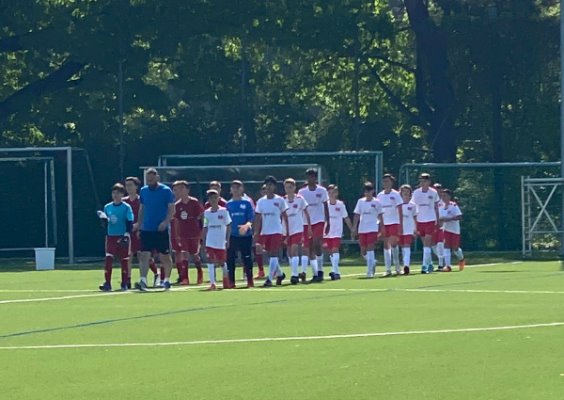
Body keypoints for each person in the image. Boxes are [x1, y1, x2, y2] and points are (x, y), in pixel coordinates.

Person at [135, 168, 176, 290]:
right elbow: (142, 209)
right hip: (147, 228)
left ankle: (167, 280)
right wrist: (139, 225)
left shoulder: (166, 191)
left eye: (152, 178)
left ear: (157, 178)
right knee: (144, 254)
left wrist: (165, 222)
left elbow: (171, 209)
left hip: (160, 229)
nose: (150, 181)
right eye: (148, 179)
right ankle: (143, 280)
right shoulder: (143, 191)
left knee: (164, 256)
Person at [98, 183, 134, 291]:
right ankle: (107, 283)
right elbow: (105, 222)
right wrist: (103, 220)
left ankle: (124, 283)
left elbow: (129, 220)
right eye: (114, 193)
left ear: (122, 194)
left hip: (122, 236)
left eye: (118, 193)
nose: (115, 195)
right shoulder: (107, 207)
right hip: (111, 237)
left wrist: (127, 234)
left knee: (124, 260)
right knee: (109, 259)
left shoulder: (126, 207)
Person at [254, 176, 289, 287]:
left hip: (277, 230)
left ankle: (269, 279)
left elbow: (285, 216)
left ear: (274, 187)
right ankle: (280, 274)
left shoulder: (280, 200)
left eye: (271, 185)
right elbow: (258, 217)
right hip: (265, 231)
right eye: (267, 185)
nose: (268, 187)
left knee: (274, 253)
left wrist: (286, 230)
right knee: (269, 255)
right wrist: (256, 232)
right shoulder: (261, 202)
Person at [297, 168, 330, 282]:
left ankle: (320, 270)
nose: (310, 178)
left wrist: (328, 221)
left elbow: (325, 206)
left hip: (319, 221)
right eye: (308, 176)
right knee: (309, 247)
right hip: (306, 222)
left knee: (317, 243)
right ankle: (316, 272)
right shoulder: (302, 192)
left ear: (315, 178)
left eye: (312, 176)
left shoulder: (322, 191)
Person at [172, 180, 205, 285]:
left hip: (194, 233)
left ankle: (200, 272)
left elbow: (202, 216)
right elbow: (176, 221)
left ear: (187, 190)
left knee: (194, 254)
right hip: (183, 233)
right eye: (178, 189)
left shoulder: (194, 202)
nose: (179, 191)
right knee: (184, 254)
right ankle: (185, 278)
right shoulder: (177, 205)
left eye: (182, 188)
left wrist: (203, 230)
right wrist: (177, 235)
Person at [226, 180, 255, 288]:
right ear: (231, 190)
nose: (236, 189)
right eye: (233, 187)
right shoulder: (228, 204)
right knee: (230, 258)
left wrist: (246, 226)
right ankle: (231, 281)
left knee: (247, 258)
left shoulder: (247, 203)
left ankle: (250, 280)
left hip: (245, 236)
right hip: (232, 235)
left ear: (242, 189)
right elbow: (226, 220)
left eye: (238, 187)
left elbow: (251, 218)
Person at [352, 182, 384, 278]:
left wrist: (382, 229)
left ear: (373, 191)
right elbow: (357, 215)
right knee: (363, 252)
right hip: (362, 228)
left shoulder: (377, 202)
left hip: (373, 228)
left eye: (369, 191)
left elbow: (380, 216)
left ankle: (369, 271)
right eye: (366, 192)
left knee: (370, 249)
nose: (367, 193)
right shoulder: (360, 202)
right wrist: (354, 227)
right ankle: (372, 262)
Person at [202, 189, 232, 290]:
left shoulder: (223, 211)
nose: (213, 200)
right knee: (210, 260)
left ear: (218, 198)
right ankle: (212, 283)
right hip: (210, 240)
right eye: (211, 198)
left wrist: (227, 239)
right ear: (208, 200)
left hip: (220, 241)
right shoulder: (206, 213)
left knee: (222, 262)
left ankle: (225, 278)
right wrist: (203, 240)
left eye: (215, 197)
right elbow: (205, 226)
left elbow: (228, 225)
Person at [283, 178, 311, 285]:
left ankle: (294, 275)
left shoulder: (300, 199)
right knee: (289, 252)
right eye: (286, 187)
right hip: (286, 229)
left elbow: (306, 212)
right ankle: (298, 272)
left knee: (294, 249)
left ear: (294, 188)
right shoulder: (283, 200)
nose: (288, 189)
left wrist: (308, 227)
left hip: (297, 228)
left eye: (290, 187)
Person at [412, 173, 440, 274]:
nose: (422, 183)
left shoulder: (433, 192)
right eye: (421, 181)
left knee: (427, 243)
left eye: (424, 181)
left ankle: (424, 266)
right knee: (425, 244)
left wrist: (438, 220)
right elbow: (413, 207)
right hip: (420, 220)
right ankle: (430, 263)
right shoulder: (416, 193)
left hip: (430, 220)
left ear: (429, 182)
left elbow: (436, 207)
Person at [324, 185, 353, 280]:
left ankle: (334, 270)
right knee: (330, 251)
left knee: (335, 249)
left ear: (336, 193)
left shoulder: (340, 205)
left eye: (333, 192)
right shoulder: (325, 205)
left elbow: (346, 218)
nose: (331, 195)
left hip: (337, 231)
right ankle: (337, 272)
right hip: (327, 231)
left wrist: (352, 229)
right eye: (329, 193)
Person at [377, 174, 402, 276]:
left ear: (391, 182)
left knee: (394, 244)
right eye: (384, 181)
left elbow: (400, 209)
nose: (385, 183)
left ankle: (397, 267)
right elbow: (378, 211)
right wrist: (379, 223)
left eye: (387, 181)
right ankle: (388, 269)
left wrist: (400, 224)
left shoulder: (396, 194)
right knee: (386, 245)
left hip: (394, 222)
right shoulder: (379, 195)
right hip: (384, 223)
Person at [438, 189, 466, 272]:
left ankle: (461, 259)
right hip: (446, 229)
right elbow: (439, 217)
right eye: (442, 196)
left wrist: (449, 219)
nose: (443, 197)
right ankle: (448, 266)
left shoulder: (453, 205)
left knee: (455, 248)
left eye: (445, 196)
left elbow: (459, 216)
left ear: (449, 196)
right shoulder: (440, 206)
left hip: (454, 230)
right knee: (446, 246)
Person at [399, 184, 417, 275]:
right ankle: (403, 265)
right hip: (400, 228)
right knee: (402, 247)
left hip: (409, 228)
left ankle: (406, 266)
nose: (405, 193)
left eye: (407, 191)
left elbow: (414, 217)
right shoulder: (398, 204)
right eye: (403, 191)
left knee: (407, 246)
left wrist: (415, 228)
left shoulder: (413, 205)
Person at [253, 184, 267, 279]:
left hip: (271, 229)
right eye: (263, 190)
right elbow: (256, 217)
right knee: (258, 249)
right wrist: (256, 230)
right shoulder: (259, 202)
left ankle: (275, 270)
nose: (265, 192)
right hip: (260, 229)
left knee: (271, 250)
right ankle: (261, 270)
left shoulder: (276, 200)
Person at [432, 183, 446, 270]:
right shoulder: (430, 201)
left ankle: (441, 264)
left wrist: (442, 220)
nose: (437, 190)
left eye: (439, 189)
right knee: (432, 244)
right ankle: (442, 259)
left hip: (442, 225)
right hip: (432, 224)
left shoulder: (444, 202)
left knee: (440, 243)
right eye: (435, 188)